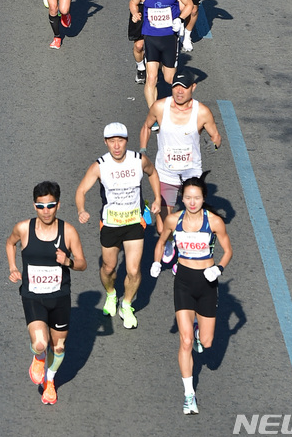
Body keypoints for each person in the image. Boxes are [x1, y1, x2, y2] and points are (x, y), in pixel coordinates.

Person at [150, 174, 232, 414]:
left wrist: (218, 268)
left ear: (203, 198)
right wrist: (157, 262)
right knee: (185, 341)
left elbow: (228, 251)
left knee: (206, 343)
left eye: (197, 198)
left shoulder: (214, 222)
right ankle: (189, 395)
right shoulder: (174, 220)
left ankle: (198, 330)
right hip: (184, 281)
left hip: (207, 283)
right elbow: (162, 242)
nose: (192, 202)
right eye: (188, 198)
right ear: (182, 199)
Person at [6, 182, 87, 405]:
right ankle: (39, 358)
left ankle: (50, 382)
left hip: (59, 297)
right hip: (33, 296)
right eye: (41, 206)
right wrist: (13, 267)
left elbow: (82, 264)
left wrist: (68, 261)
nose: (46, 211)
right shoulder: (24, 228)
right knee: (41, 343)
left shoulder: (68, 231)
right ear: (35, 206)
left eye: (50, 205)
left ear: (58, 205)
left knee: (58, 346)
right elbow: (10, 243)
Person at [75, 123, 161, 329]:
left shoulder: (138, 161)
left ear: (126, 141)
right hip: (111, 224)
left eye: (120, 141)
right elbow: (81, 190)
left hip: (133, 222)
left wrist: (157, 198)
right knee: (109, 268)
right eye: (112, 141)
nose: (116, 146)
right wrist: (81, 210)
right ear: (106, 142)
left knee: (133, 270)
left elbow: (153, 173)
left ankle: (127, 304)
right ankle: (112, 294)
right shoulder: (100, 165)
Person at [141, 72, 222, 252]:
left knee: (193, 216)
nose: (179, 91)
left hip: (191, 173)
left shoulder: (202, 112)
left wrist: (214, 145)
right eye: (176, 86)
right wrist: (143, 150)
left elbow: (216, 136)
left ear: (193, 87)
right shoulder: (160, 107)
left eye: (184, 87)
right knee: (162, 227)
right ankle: (170, 240)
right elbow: (146, 127)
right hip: (165, 172)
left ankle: (193, 247)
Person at [129, 0, 194, 109]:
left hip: (169, 39)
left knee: (168, 79)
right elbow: (133, 2)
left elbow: (189, 4)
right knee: (151, 78)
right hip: (150, 37)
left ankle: (181, 101)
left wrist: (180, 19)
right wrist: (135, 13)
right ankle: (154, 114)